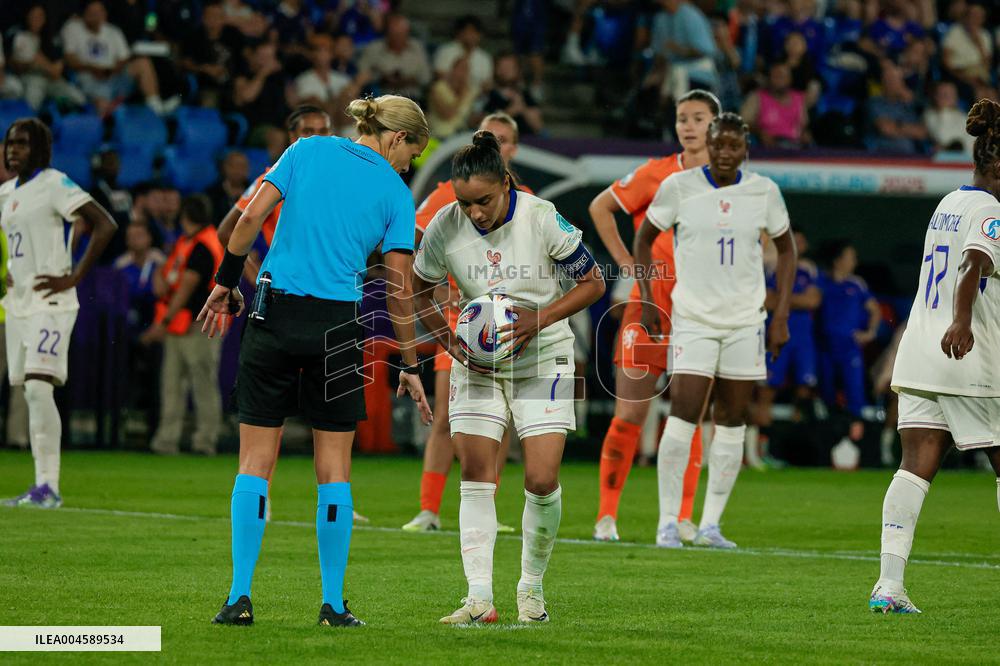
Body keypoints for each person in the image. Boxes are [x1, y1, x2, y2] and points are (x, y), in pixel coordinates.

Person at [200, 95, 432, 628]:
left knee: (255, 464)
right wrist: (412, 365)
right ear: (397, 138)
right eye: (412, 153)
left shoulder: (305, 150)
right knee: (334, 472)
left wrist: (225, 282)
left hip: (275, 316)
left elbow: (248, 218)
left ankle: (238, 598)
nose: (409, 165)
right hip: (339, 330)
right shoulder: (396, 192)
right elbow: (398, 289)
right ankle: (332, 604)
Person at [412, 130, 605, 624]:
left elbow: (593, 282)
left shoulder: (540, 217)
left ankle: (531, 590)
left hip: (543, 355)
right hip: (478, 365)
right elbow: (418, 288)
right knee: (477, 473)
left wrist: (538, 318)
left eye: (484, 201)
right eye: (466, 203)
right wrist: (448, 339)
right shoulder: (444, 225)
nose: (475, 212)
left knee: (541, 479)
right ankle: (478, 598)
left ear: (505, 183)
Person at [634, 112, 796, 549]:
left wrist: (779, 316)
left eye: (734, 146)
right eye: (718, 145)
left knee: (732, 419)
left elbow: (787, 249)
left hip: (745, 321)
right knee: (684, 411)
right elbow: (644, 239)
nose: (725, 153)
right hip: (694, 319)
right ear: (707, 145)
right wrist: (649, 297)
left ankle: (710, 525)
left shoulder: (763, 192)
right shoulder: (679, 187)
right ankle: (668, 522)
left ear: (745, 148)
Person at [869, 98, 1000, 614]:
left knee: (915, 466)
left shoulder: (949, 202)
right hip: (965, 353)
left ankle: (888, 585)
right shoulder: (992, 211)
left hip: (920, 352)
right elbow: (972, 266)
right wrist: (963, 320)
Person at [588, 90, 720, 543]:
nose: (688, 125)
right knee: (629, 414)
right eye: (682, 117)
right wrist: (630, 264)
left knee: (689, 418)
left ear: (715, 125)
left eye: (698, 118)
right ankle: (607, 516)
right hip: (647, 312)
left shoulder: (726, 185)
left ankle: (683, 519)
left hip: (697, 317)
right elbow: (600, 207)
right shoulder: (657, 172)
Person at [402, 112, 524, 534]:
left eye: (505, 140)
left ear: (513, 150)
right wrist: (438, 292)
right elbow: (416, 243)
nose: (499, 145)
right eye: (492, 137)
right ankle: (428, 509)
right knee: (445, 416)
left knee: (502, 417)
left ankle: (485, 509)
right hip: (458, 325)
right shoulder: (445, 195)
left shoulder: (525, 199)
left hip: (507, 326)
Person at [0, 118, 117, 508]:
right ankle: (41, 487)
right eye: (10, 143)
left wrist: (74, 277)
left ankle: (47, 485)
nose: (13, 149)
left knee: (37, 387)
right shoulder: (5, 194)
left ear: (40, 149)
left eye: (22, 143)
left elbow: (104, 223)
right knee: (30, 391)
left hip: (52, 302)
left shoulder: (54, 183)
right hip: (17, 306)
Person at [144, 195, 224, 456]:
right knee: (175, 385)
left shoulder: (202, 245)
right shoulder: (189, 242)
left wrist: (163, 321)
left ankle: (204, 441)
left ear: (184, 217)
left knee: (199, 385)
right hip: (182, 325)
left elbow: (187, 287)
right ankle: (168, 440)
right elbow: (169, 278)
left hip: (199, 325)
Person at [755, 230, 820, 455]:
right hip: (775, 335)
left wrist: (783, 299)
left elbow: (813, 300)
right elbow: (766, 300)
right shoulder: (771, 267)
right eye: (794, 240)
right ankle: (763, 449)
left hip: (802, 340)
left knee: (804, 391)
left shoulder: (808, 269)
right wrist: (794, 301)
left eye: (801, 241)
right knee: (766, 392)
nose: (798, 245)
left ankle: (795, 449)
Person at [816, 239, 880, 448]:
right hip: (826, 347)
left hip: (849, 348)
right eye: (850, 257)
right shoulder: (822, 282)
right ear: (838, 260)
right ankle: (830, 438)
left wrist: (869, 332)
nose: (854, 261)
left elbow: (874, 309)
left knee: (855, 393)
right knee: (826, 391)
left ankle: (857, 441)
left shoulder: (856, 284)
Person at [60, 0, 167, 115]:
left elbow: (124, 58)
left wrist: (113, 70)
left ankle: (156, 109)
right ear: (84, 13)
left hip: (113, 76)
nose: (95, 16)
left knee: (142, 63)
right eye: (92, 12)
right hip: (87, 78)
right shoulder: (72, 27)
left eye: (99, 12)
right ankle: (106, 118)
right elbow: (70, 59)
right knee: (100, 103)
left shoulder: (113, 30)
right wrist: (93, 69)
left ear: (105, 13)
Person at [741, 61, 810, 148]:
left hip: (794, 145)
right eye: (776, 76)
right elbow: (743, 123)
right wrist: (760, 133)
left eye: (783, 76)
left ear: (790, 79)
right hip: (766, 145)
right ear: (769, 78)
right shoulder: (757, 97)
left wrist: (805, 135)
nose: (779, 80)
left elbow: (803, 125)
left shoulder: (799, 98)